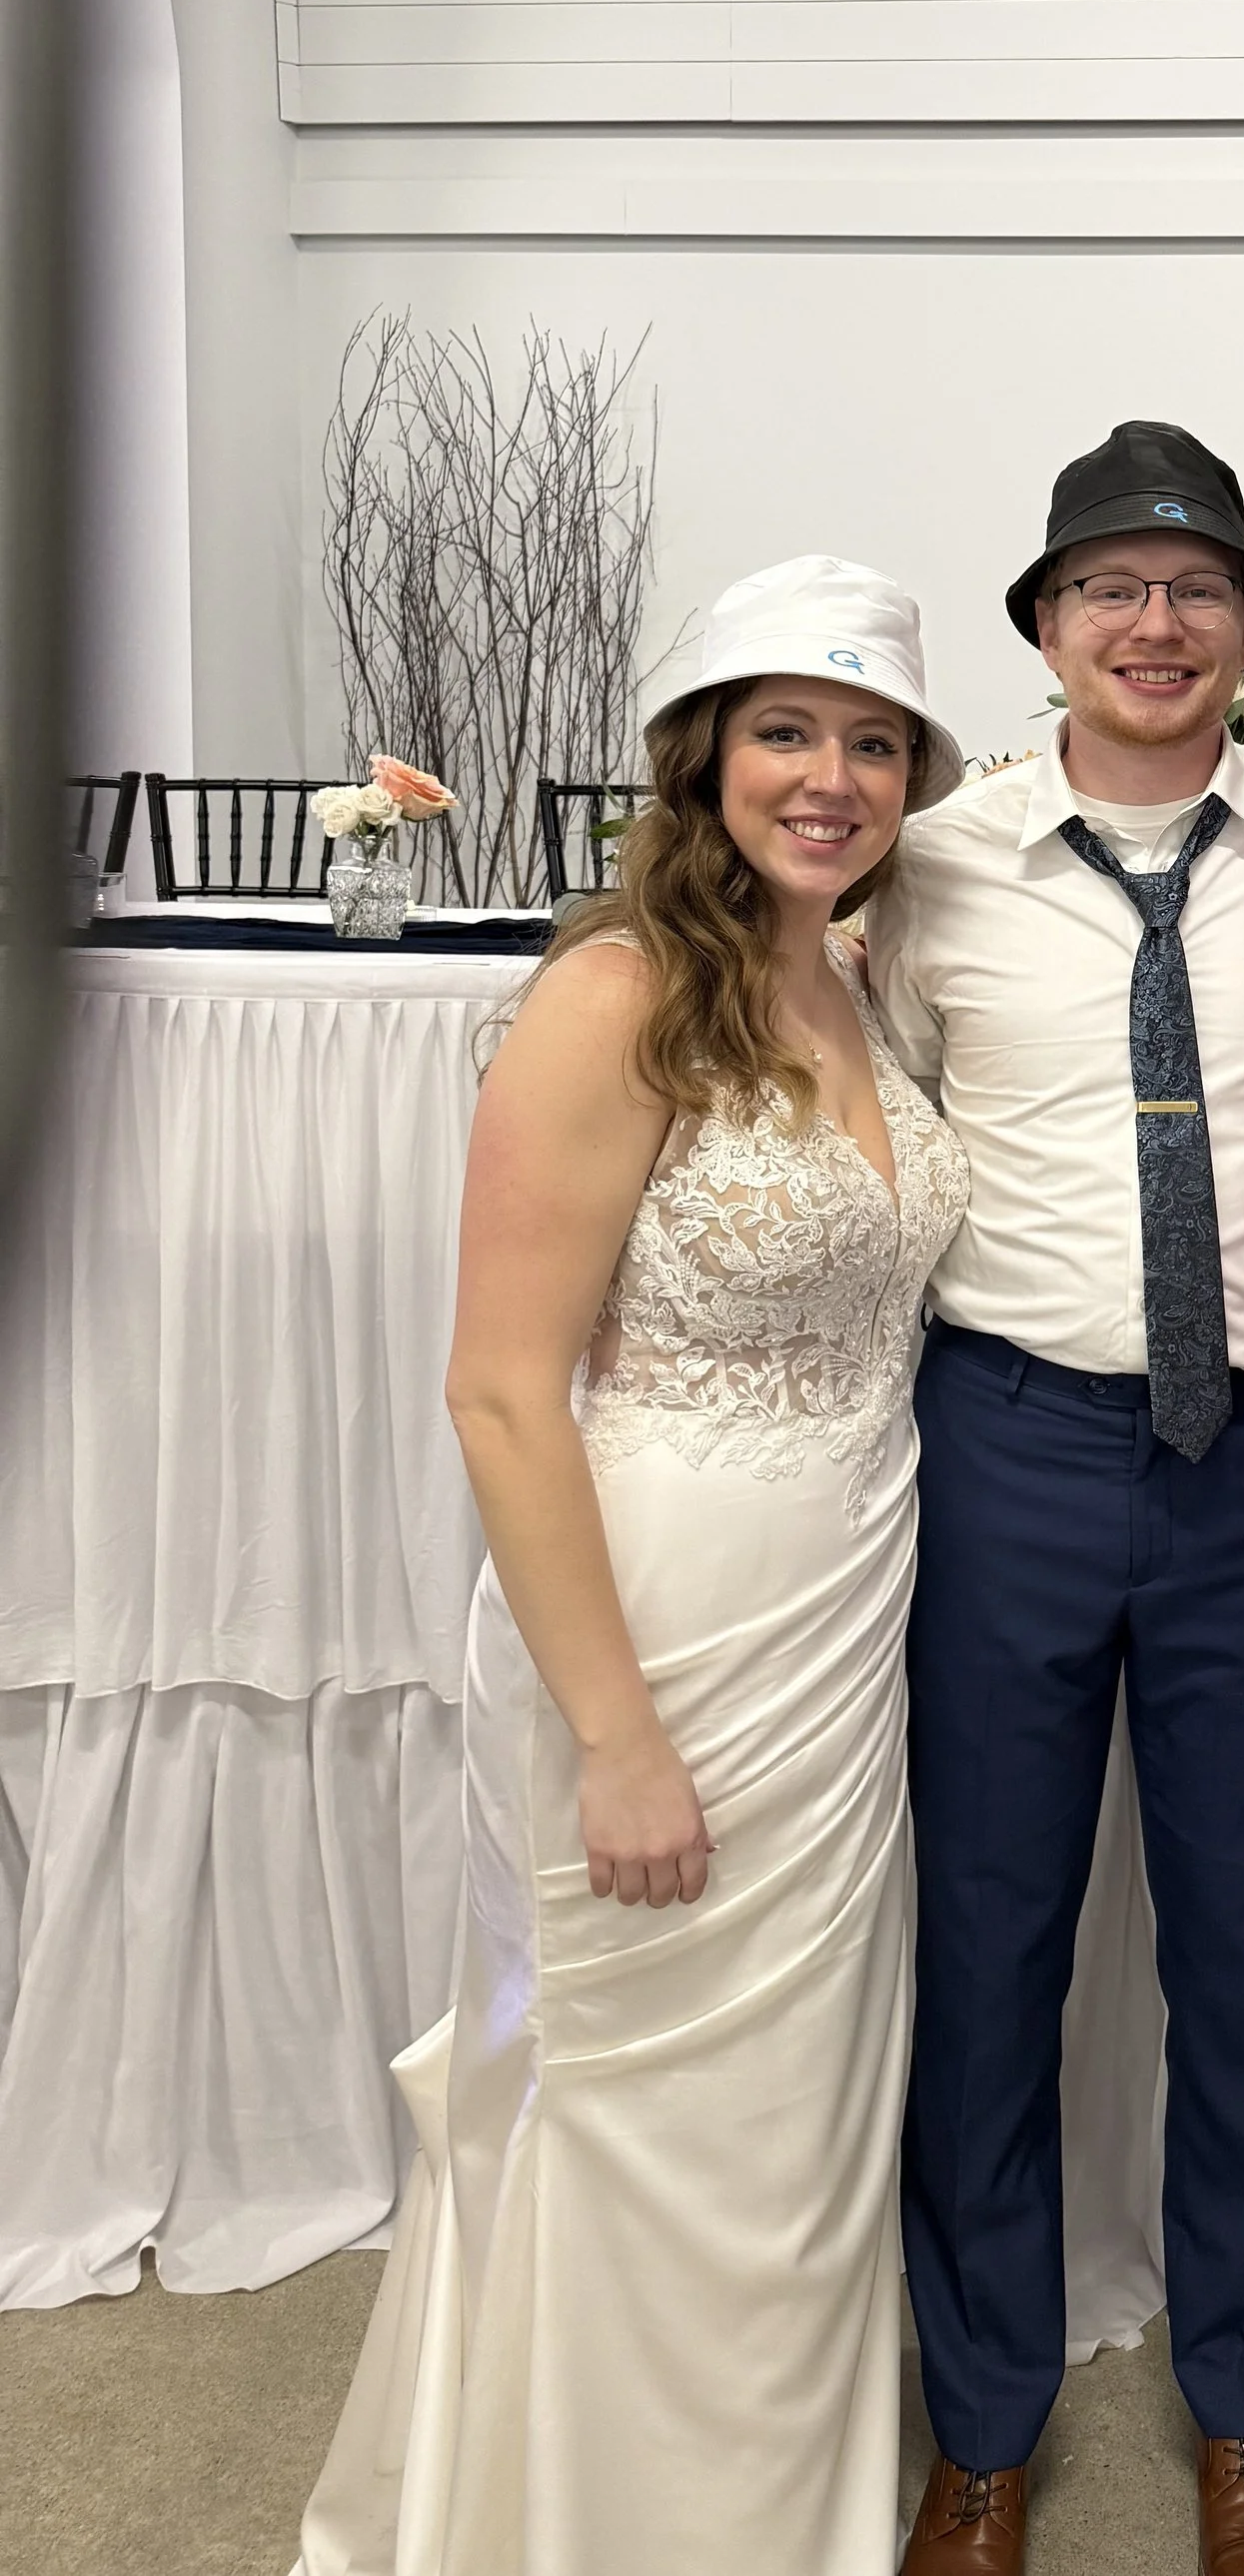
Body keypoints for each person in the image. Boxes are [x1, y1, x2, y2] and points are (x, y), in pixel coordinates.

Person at [295, 557, 971, 2576]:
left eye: (870, 740)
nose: (830, 776)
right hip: (661, 1617)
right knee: (643, 2097)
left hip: (849, 1611)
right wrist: (613, 1735)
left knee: (792, 2114)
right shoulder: (613, 992)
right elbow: (502, 1392)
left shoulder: (843, 968)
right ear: (702, 754)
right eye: (787, 728)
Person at [869, 422, 1244, 2576]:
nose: (1150, 623)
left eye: (1192, 589)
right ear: (1045, 630)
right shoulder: (933, 866)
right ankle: (977, 2424)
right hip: (1010, 1446)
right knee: (985, 1949)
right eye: (1106, 588)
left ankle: (1240, 2412)